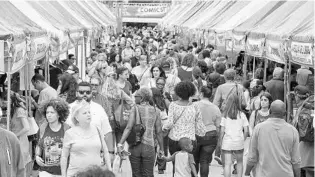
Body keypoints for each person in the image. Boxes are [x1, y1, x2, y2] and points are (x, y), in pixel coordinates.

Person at [245, 100, 301, 177]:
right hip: (286, 174)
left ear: (270, 111)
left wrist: (247, 172)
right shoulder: (293, 131)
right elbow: (296, 161)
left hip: (263, 174)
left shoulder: (259, 128)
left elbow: (252, 156)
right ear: (285, 113)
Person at [117, 87, 164, 177]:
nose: (134, 98)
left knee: (136, 174)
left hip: (135, 146)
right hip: (149, 147)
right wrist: (161, 149)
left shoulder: (135, 109)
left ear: (141, 97)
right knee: (149, 174)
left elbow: (128, 128)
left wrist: (120, 144)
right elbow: (159, 132)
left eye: (136, 96)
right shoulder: (156, 111)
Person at [162, 81, 206, 174]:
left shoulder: (173, 105)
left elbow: (169, 123)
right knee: (191, 165)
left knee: (177, 166)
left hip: (175, 140)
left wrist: (164, 128)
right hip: (190, 141)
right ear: (191, 92)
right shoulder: (195, 106)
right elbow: (200, 126)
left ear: (178, 92)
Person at [66, 82, 115, 163]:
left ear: (91, 93)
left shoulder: (99, 109)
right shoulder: (69, 108)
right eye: (81, 92)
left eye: (88, 92)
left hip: (96, 155)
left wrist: (110, 153)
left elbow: (107, 132)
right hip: (74, 156)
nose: (84, 94)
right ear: (76, 93)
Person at [61, 101, 112, 177]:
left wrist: (110, 169)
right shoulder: (69, 133)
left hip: (96, 174)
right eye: (84, 113)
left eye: (89, 112)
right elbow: (64, 157)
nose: (88, 115)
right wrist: (63, 175)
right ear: (77, 117)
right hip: (75, 174)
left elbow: (106, 152)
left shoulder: (97, 130)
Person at [218, 90, 249, 177]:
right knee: (239, 162)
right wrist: (243, 139)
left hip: (227, 141)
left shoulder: (225, 115)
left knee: (227, 164)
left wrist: (220, 142)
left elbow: (222, 131)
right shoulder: (242, 115)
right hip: (239, 141)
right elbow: (246, 130)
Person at [35, 99, 70, 177]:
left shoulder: (67, 129)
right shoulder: (42, 128)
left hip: (63, 172)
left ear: (59, 114)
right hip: (45, 172)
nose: (49, 115)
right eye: (47, 112)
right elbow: (39, 145)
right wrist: (37, 156)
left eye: (52, 112)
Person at [194, 84, 221, 177]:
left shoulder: (195, 105)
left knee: (195, 160)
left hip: (197, 134)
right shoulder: (215, 108)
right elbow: (218, 126)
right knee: (204, 161)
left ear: (201, 94)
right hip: (211, 135)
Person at [292, 85, 314, 177]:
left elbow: (302, 132)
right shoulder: (311, 104)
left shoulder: (304, 107)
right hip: (310, 142)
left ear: (297, 95)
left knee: (309, 170)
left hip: (308, 144)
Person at [10, 93, 32, 175]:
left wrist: (15, 135)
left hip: (20, 140)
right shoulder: (16, 110)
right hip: (17, 140)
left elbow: (26, 127)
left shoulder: (19, 110)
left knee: (20, 165)